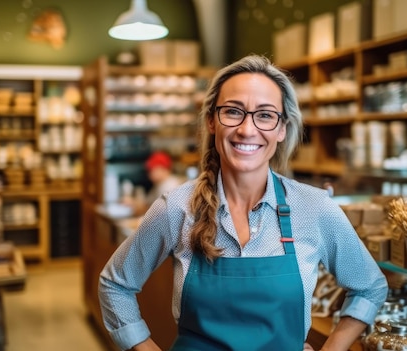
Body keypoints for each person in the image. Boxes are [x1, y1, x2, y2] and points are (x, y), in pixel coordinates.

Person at [99, 55, 388, 351]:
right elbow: (115, 284)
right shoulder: (177, 208)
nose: (247, 130)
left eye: (264, 115)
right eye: (233, 112)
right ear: (212, 121)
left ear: (282, 129)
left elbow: (369, 286)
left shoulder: (313, 207)